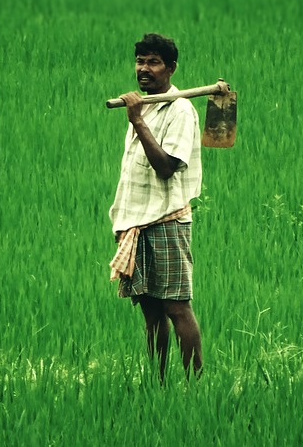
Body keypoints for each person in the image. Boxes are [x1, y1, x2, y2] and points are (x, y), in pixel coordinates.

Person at [108, 33, 203, 382]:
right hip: (137, 221)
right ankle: (156, 382)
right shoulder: (144, 105)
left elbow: (165, 167)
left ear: (171, 68)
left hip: (166, 221)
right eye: (140, 61)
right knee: (149, 310)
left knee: (176, 306)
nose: (144, 69)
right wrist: (121, 220)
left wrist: (137, 120)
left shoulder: (180, 110)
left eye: (153, 62)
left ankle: (194, 385)